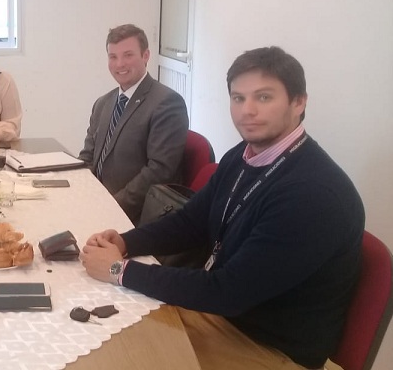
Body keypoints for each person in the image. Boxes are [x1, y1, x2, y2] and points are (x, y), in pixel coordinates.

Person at [80, 46, 364, 370]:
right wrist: (126, 242)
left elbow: (229, 291)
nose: (247, 110)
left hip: (269, 348)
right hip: (224, 316)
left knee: (119, 355)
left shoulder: (312, 195)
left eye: (264, 97)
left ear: (299, 102)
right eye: (238, 98)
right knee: (103, 327)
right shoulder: (243, 155)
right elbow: (191, 222)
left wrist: (119, 270)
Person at [78, 24, 188, 222]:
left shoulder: (167, 103)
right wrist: (78, 192)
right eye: (113, 57)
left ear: (146, 56)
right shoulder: (103, 103)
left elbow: (159, 171)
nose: (119, 64)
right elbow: (87, 157)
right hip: (96, 202)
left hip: (134, 214)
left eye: (128, 55)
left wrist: (110, 206)